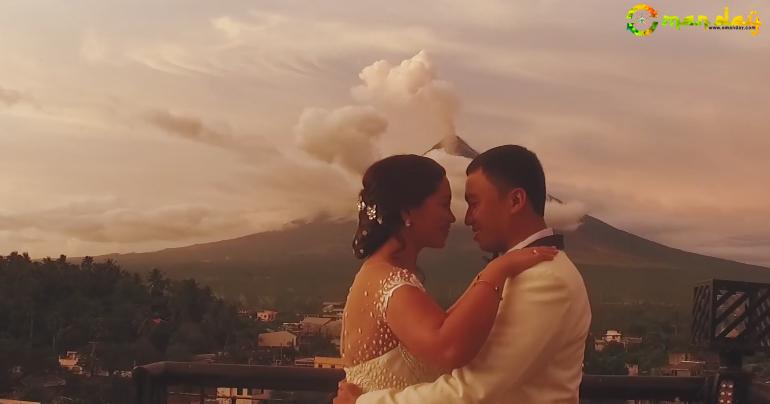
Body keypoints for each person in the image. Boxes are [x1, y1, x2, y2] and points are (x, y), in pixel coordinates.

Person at [336, 145, 591, 404]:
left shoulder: (545, 278)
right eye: (446, 204)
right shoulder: (516, 269)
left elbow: (474, 390)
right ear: (407, 212)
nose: (464, 218)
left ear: (515, 201)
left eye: (474, 203)